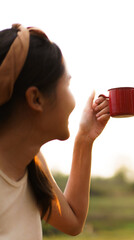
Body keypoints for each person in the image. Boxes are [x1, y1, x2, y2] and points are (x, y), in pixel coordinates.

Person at [0, 24, 110, 239]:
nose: (72, 101)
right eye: (67, 85)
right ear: (36, 99)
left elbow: (73, 221)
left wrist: (85, 139)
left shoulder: (30, 162)